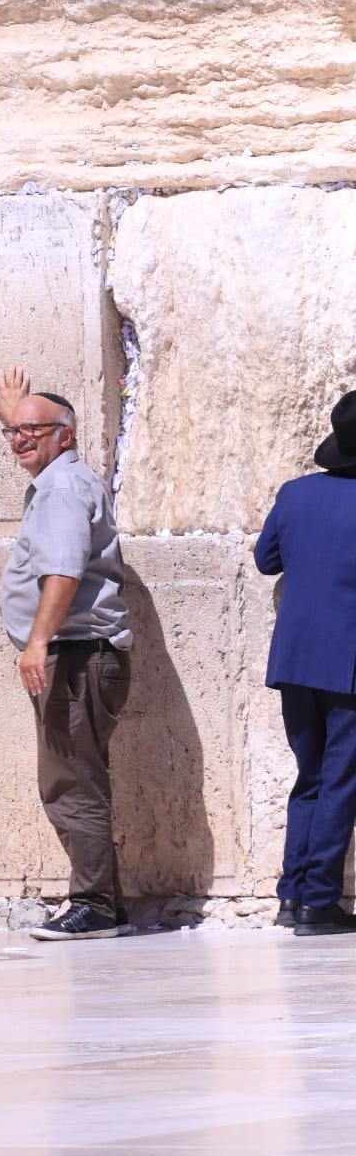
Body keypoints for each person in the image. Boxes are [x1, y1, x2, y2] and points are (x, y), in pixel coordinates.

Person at [0, 364, 133, 940]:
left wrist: (38, 641)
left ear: (66, 436)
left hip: (73, 658)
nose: (20, 439)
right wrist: (19, 413)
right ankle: (105, 903)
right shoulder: (60, 478)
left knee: (70, 781)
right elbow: (37, 428)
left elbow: (64, 572)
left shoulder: (64, 489)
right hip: (77, 655)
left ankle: (94, 905)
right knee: (76, 775)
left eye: (34, 431)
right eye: (12, 433)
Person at [255, 391, 356, 937]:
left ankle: (292, 896)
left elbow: (267, 559)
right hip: (349, 664)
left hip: (295, 661)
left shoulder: (294, 495)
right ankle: (318, 903)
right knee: (341, 781)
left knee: (310, 779)